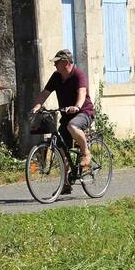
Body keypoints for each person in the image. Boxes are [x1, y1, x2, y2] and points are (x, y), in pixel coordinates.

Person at [31, 49, 95, 192]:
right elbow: (45, 93)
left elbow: (82, 92)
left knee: (73, 126)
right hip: (66, 116)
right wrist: (36, 106)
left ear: (65, 62)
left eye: (57, 63)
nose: (55, 66)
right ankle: (65, 183)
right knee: (60, 148)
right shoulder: (56, 76)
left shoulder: (78, 75)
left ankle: (86, 153)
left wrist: (77, 106)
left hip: (84, 112)